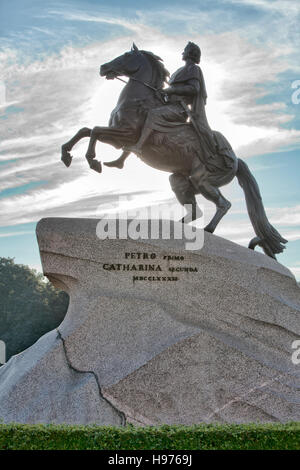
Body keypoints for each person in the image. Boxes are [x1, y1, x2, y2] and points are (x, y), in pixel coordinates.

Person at [105, 41, 215, 168]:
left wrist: (171, 90)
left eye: (185, 50)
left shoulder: (194, 69)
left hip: (180, 109)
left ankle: (138, 146)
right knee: (141, 116)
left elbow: (194, 89)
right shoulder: (179, 71)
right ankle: (122, 159)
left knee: (153, 114)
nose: (182, 52)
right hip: (169, 104)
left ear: (190, 53)